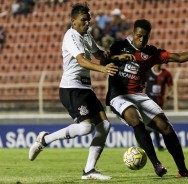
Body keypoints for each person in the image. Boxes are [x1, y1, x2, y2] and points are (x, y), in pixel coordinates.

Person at [105, 19, 188, 177]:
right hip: (118, 95)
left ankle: (183, 170)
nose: (142, 40)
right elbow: (103, 60)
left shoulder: (152, 52)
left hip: (138, 95)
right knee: (135, 120)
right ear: (133, 34)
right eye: (139, 36)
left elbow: (178, 57)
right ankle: (156, 164)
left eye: (145, 37)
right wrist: (117, 58)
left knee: (165, 127)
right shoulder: (119, 45)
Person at [28, 3, 130, 180]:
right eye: (83, 20)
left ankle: (89, 171)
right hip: (71, 88)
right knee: (85, 128)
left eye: (88, 20)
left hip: (85, 88)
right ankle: (44, 140)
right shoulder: (71, 36)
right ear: (72, 21)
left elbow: (99, 54)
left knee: (105, 126)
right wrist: (103, 69)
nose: (87, 23)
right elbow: (82, 61)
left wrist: (116, 58)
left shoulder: (87, 35)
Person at [145, 64, 173, 151]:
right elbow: (141, 82)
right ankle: (158, 145)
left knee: (154, 123)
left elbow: (170, 86)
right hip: (148, 102)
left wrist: (169, 94)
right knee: (156, 122)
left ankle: (145, 135)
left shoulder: (166, 74)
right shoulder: (148, 72)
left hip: (159, 103)